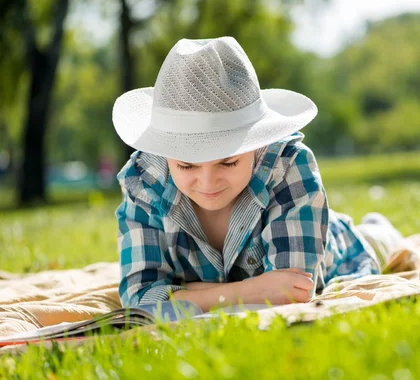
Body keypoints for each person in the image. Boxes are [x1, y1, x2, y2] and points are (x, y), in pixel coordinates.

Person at [112, 37, 401, 312]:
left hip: (338, 249)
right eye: (187, 166)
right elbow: (138, 297)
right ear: (165, 155)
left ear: (257, 143)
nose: (208, 182)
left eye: (228, 163)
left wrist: (185, 292)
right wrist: (251, 291)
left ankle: (379, 228)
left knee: (379, 241)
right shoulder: (144, 182)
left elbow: (292, 291)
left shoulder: (288, 165)